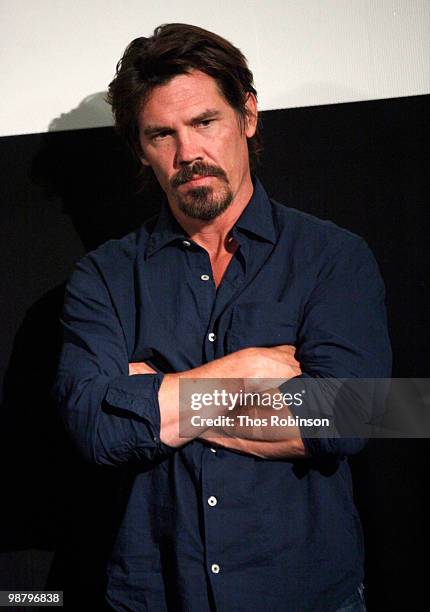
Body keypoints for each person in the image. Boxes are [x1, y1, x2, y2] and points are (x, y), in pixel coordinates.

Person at [52, 23, 391, 612]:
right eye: (163, 134)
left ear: (247, 116)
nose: (188, 154)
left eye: (205, 122)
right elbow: (96, 431)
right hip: (157, 594)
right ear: (141, 149)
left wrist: (154, 398)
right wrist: (249, 371)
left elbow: (359, 415)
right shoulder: (102, 277)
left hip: (305, 595)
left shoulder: (334, 256)